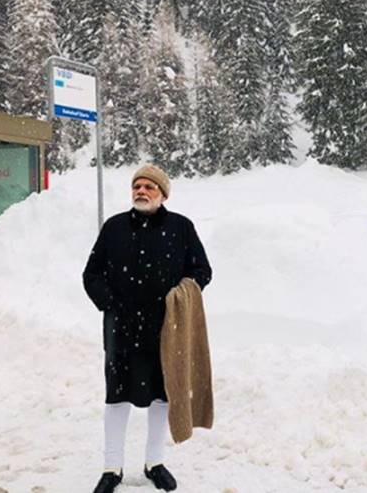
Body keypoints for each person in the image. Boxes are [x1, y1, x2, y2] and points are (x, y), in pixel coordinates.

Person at [83, 164, 212, 493]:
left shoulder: (181, 228)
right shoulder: (114, 228)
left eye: (149, 187)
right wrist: (110, 303)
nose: (141, 191)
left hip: (165, 330)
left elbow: (202, 270)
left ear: (163, 194)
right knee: (116, 397)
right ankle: (112, 468)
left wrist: (180, 294)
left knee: (161, 396)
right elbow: (91, 274)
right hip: (120, 330)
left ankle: (154, 462)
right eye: (137, 186)